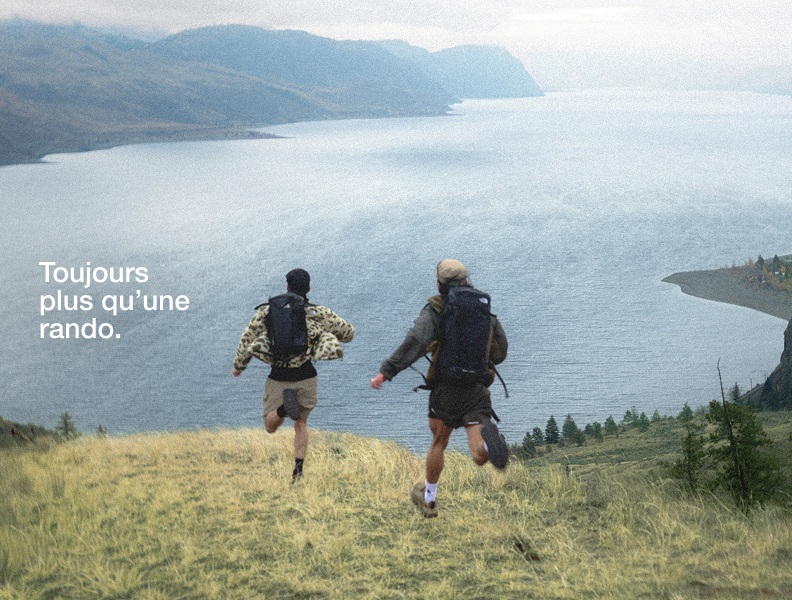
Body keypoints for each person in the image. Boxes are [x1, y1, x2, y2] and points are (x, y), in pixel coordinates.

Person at [370, 259, 509, 518]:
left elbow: (415, 341)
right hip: (476, 389)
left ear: (439, 285)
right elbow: (500, 353)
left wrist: (386, 372)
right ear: (466, 281)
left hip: (446, 390)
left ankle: (429, 499)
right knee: (478, 454)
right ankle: (491, 447)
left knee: (439, 442)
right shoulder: (483, 310)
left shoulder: (436, 309)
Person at [233, 268, 354, 482]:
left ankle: (282, 409)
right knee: (301, 423)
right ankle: (298, 472)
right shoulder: (318, 313)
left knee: (270, 426)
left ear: (287, 287)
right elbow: (348, 334)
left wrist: (239, 366)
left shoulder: (267, 311)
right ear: (308, 288)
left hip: (279, 375)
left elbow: (247, 340)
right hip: (306, 375)